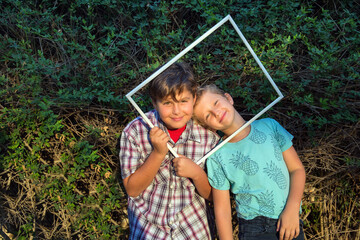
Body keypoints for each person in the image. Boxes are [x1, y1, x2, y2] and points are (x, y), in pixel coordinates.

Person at [119, 63, 219, 239]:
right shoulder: (135, 131)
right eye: (167, 103)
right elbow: (132, 190)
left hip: (193, 230)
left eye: (183, 101)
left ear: (194, 98)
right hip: (149, 231)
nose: (176, 111)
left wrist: (196, 173)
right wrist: (158, 153)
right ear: (154, 103)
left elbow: (214, 196)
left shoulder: (208, 137)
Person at [193, 84, 306, 240]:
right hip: (255, 228)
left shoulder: (269, 126)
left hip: (291, 219)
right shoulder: (216, 155)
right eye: (208, 116)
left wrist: (292, 210)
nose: (216, 112)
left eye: (216, 103)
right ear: (208, 127)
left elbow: (297, 170)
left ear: (228, 98)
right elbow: (223, 210)